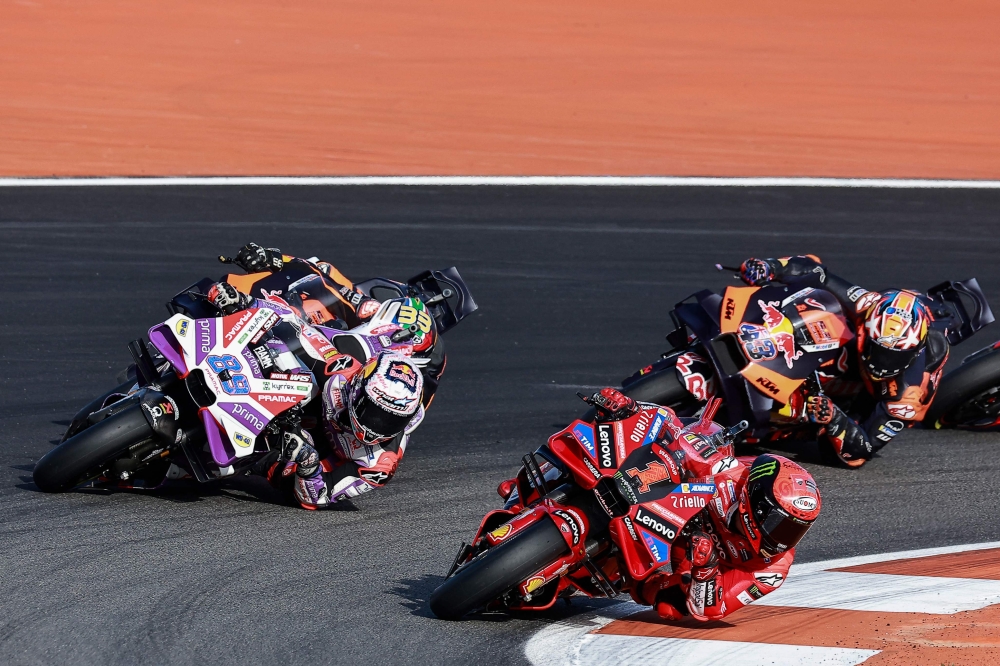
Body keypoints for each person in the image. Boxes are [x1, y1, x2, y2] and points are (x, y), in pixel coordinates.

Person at [205, 249, 427, 510]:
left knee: (276, 467)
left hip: (307, 451)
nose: (376, 426)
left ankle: (224, 455)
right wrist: (246, 303)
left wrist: (308, 462)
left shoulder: (380, 464)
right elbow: (299, 327)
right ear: (358, 388)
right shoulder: (347, 366)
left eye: (391, 420)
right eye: (374, 412)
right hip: (301, 403)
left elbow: (319, 496)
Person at [593, 389, 820, 622]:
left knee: (670, 606)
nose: (784, 540)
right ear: (756, 503)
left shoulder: (772, 570)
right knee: (661, 438)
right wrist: (633, 409)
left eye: (796, 530)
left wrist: (707, 568)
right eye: (779, 524)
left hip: (691, 560)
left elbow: (712, 610)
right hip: (669, 504)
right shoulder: (730, 475)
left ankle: (619, 574)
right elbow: (676, 428)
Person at [737, 255, 948, 467]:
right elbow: (817, 272)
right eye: (880, 351)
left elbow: (861, 452)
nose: (884, 363)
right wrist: (769, 267)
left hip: (875, 394)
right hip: (887, 318)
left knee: (830, 447)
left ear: (913, 352)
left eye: (894, 356)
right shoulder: (867, 305)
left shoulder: (905, 399)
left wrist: (835, 418)